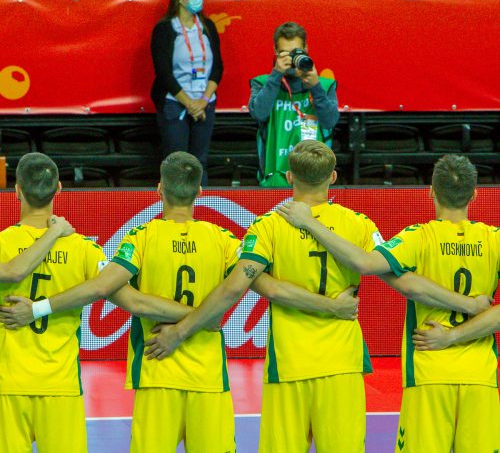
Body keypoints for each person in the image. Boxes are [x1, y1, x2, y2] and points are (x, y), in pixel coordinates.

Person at [130, 141, 489, 453]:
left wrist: (181, 329)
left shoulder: (267, 226)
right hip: (342, 367)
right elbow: (402, 280)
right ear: (333, 178)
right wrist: (468, 305)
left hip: (289, 367)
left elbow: (239, 286)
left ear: (289, 177)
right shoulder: (358, 225)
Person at [1, 151, 359, 452]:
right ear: (200, 191)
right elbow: (261, 287)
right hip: (206, 380)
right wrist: (203, 317)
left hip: (153, 373)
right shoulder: (222, 240)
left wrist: (37, 307)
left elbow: (115, 293)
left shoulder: (140, 238)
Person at [278, 153, 500, 453]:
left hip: (428, 373)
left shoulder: (418, 237)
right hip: (481, 378)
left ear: (431, 191)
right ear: (475, 194)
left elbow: (364, 263)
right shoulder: (494, 239)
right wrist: (457, 333)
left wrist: (309, 223)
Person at [0, 153, 105, 453]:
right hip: (61, 387)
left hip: (8, 387)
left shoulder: (3, 244)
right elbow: (117, 292)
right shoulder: (85, 249)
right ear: (59, 188)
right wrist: (194, 318)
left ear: (17, 190)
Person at [151, 0, 223, 186]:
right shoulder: (164, 29)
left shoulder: (207, 26)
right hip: (176, 103)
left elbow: (217, 67)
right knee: (177, 161)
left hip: (204, 103)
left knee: (200, 160)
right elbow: (163, 72)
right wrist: (189, 103)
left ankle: (200, 209)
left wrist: (203, 100)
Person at [249, 21, 340, 187]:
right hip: (274, 179)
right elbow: (259, 114)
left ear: (306, 49)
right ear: (275, 52)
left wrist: (315, 87)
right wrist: (276, 75)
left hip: (314, 179)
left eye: (295, 52)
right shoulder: (263, 83)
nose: (291, 59)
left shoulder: (324, 85)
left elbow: (330, 121)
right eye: (284, 53)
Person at [413, 304, 500, 350]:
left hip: (427, 366)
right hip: (481, 369)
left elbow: (410, 287)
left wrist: (449, 337)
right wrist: (474, 304)